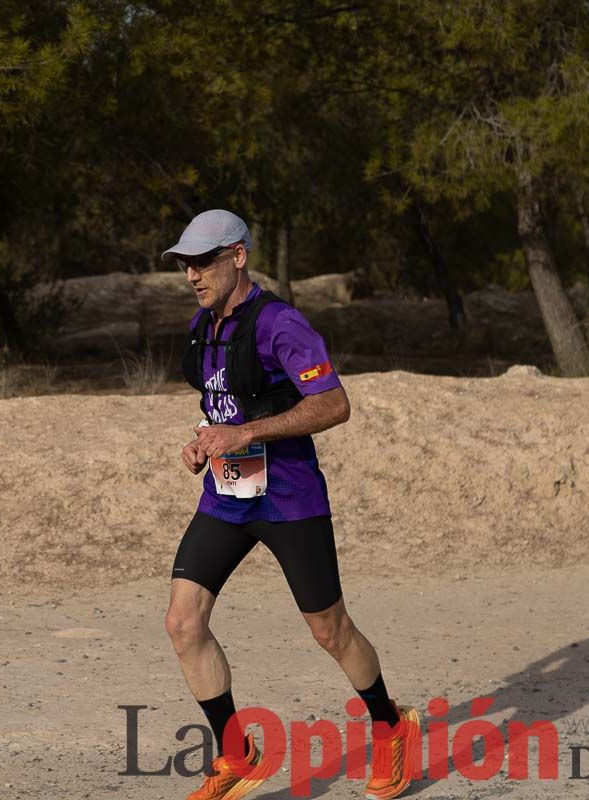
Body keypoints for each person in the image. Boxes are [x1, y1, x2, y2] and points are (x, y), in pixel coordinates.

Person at [162, 209, 419, 800]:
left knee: (329, 630)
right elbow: (226, 405)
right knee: (182, 622)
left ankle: (389, 725)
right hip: (228, 496)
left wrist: (245, 435)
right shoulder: (204, 327)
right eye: (186, 264)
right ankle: (236, 754)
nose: (193, 275)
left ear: (238, 256)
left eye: (203, 261)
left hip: (290, 498)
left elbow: (333, 404)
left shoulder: (281, 324)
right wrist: (207, 438)